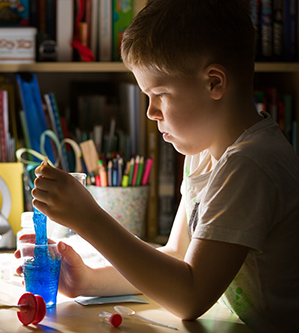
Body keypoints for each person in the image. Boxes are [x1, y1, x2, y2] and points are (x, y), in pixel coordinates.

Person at [21, 1, 299, 332]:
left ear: (214, 83)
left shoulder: (250, 165)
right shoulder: (206, 154)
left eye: (160, 94)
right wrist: (88, 282)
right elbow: (178, 256)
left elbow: (190, 297)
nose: (151, 112)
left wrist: (89, 219)